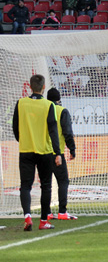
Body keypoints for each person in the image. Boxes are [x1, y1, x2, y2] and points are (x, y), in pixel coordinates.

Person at [12, 74, 62, 231]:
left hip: (26, 150)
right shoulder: (49, 106)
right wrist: (58, 152)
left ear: (29, 86)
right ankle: (43, 221)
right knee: (46, 186)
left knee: (25, 186)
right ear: (44, 87)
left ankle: (27, 216)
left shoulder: (21, 103)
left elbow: (15, 127)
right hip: (44, 151)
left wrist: (23, 140)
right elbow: (53, 131)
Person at [46, 88, 78, 220]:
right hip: (56, 153)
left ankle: (46, 213)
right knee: (63, 181)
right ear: (59, 99)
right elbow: (67, 132)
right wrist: (72, 149)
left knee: (46, 183)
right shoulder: (62, 111)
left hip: (42, 152)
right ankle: (62, 211)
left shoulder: (43, 111)